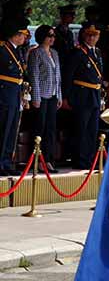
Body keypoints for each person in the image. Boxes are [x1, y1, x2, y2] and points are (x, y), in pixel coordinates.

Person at [62, 24, 105, 170]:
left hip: (94, 94)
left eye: (95, 35)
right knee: (81, 128)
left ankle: (89, 159)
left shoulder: (97, 52)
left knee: (92, 129)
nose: (92, 38)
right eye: (89, 35)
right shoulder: (77, 52)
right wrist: (66, 97)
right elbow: (68, 75)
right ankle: (79, 159)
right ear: (84, 36)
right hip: (82, 94)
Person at [28, 25, 63, 172]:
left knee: (51, 128)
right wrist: (35, 97)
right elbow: (34, 76)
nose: (52, 38)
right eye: (50, 35)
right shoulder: (36, 53)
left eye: (53, 35)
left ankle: (48, 159)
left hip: (53, 94)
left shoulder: (54, 53)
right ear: (42, 36)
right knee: (39, 127)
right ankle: (38, 160)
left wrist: (59, 95)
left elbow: (58, 76)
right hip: (41, 95)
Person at [0, 19, 29, 176]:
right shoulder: (3, 50)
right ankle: (1, 162)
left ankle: (7, 161)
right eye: (22, 35)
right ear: (16, 35)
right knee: (4, 128)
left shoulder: (18, 50)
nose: (25, 38)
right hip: (5, 94)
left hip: (15, 93)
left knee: (12, 129)